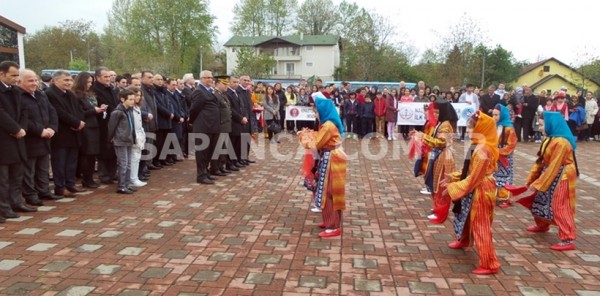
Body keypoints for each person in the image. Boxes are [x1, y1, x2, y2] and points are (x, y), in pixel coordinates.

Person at [444, 111, 501, 275]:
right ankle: (464, 240)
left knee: (481, 224)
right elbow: (468, 169)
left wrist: (452, 188)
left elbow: (475, 177)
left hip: (482, 189)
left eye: (471, 128)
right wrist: (453, 177)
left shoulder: (484, 150)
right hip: (476, 185)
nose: (468, 131)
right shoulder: (477, 145)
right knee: (466, 215)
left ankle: (490, 263)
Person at [519, 111, 578, 251]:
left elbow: (555, 165)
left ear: (551, 124)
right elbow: (540, 161)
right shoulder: (549, 139)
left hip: (562, 175)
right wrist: (531, 179)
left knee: (559, 205)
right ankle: (542, 224)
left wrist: (538, 184)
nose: (539, 127)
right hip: (551, 173)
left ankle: (567, 238)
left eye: (542, 124)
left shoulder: (562, 142)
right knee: (539, 199)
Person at [298, 92, 347, 238]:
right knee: (326, 190)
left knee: (329, 192)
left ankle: (333, 226)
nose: (315, 113)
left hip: (331, 158)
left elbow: (316, 144)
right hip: (331, 156)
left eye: (316, 110)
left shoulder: (328, 125)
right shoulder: (329, 123)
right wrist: (310, 133)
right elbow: (320, 140)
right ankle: (329, 221)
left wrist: (303, 136)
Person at [18, 69, 60, 206]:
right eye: (30, 80)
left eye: (36, 80)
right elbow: (23, 119)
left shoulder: (41, 95)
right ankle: (30, 194)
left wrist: (52, 128)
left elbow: (52, 111)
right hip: (30, 139)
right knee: (29, 170)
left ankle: (44, 190)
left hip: (46, 137)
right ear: (20, 81)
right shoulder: (18, 96)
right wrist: (40, 130)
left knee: (43, 167)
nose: (35, 83)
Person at [0, 61, 36, 221]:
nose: (16, 79)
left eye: (17, 75)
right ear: (2, 74)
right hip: (3, 140)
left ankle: (16, 202)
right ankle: (3, 207)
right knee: (3, 178)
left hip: (18, 138)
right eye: (13, 75)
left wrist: (22, 129)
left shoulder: (15, 91)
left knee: (17, 174)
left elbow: (24, 110)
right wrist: (15, 129)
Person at [413, 99, 458, 224]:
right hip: (438, 156)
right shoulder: (441, 123)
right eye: (435, 112)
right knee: (435, 183)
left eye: (438, 112)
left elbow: (442, 143)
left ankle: (441, 212)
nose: (435, 115)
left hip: (443, 157)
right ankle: (438, 209)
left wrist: (424, 137)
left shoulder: (445, 125)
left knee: (440, 184)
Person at [46, 70, 86, 197]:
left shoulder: (70, 94)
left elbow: (79, 110)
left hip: (74, 133)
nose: (69, 83)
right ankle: (60, 187)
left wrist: (80, 122)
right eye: (66, 80)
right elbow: (59, 112)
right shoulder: (50, 94)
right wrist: (75, 123)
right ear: (56, 80)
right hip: (61, 134)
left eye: (70, 80)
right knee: (60, 162)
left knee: (71, 161)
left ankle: (70, 184)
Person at [73, 72, 104, 189]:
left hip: (94, 126)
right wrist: (94, 111)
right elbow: (79, 113)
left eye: (91, 82)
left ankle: (89, 178)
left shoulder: (89, 94)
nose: (90, 84)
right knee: (87, 154)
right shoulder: (76, 95)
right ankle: (86, 179)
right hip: (86, 127)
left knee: (92, 154)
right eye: (87, 82)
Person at [190, 70, 221, 184]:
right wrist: (192, 121)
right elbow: (194, 109)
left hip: (212, 127)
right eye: (207, 77)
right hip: (203, 127)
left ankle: (206, 172)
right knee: (202, 153)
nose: (210, 79)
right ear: (201, 78)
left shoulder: (210, 91)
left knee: (209, 152)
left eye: (211, 77)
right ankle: (201, 176)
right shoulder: (199, 91)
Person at [108, 89, 137, 194]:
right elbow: (111, 127)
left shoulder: (129, 110)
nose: (132, 101)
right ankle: (121, 186)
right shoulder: (117, 112)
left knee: (129, 164)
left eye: (133, 99)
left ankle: (127, 184)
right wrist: (109, 140)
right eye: (130, 99)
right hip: (120, 141)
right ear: (122, 99)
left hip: (128, 140)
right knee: (123, 164)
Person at [492, 104, 517, 208]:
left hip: (504, 157)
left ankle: (505, 197)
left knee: (505, 176)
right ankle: (496, 196)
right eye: (493, 115)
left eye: (497, 115)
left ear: (502, 115)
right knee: (495, 176)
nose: (494, 117)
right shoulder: (495, 126)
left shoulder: (509, 128)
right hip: (495, 156)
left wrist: (499, 151)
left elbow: (511, 145)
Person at [128, 87, 147, 187]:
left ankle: (135, 177)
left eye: (140, 95)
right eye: (136, 95)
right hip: (133, 136)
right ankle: (132, 178)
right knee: (133, 158)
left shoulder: (137, 107)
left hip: (139, 135)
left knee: (137, 157)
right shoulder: (129, 109)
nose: (138, 97)